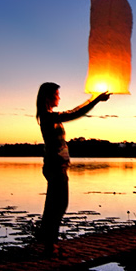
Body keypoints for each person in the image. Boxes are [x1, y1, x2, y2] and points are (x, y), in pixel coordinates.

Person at [35, 82, 110, 255]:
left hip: (58, 166)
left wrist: (94, 99)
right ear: (48, 96)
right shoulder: (47, 117)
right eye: (57, 94)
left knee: (56, 205)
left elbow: (72, 112)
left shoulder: (50, 116)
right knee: (57, 205)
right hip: (55, 167)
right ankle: (50, 245)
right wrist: (95, 99)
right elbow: (74, 113)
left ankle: (49, 242)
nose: (59, 97)